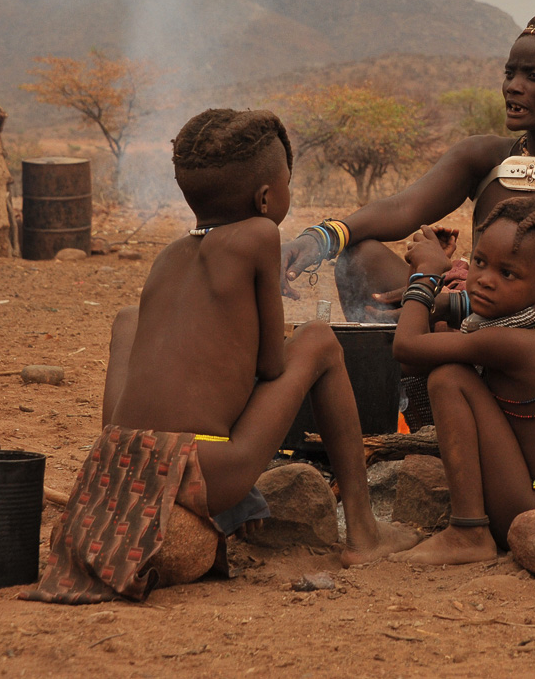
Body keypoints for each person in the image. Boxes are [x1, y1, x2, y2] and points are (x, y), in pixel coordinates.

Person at [280, 12, 535, 437]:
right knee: (359, 252)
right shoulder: (483, 156)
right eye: (510, 73)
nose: (513, 86)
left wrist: (445, 302)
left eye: (533, 76)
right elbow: (402, 207)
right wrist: (317, 238)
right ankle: (409, 402)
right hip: (474, 313)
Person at [104, 108, 417, 564]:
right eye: (288, 183)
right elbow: (270, 365)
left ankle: (127, 454)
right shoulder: (258, 235)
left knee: (129, 319)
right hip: (204, 470)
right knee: (318, 340)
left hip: (120, 462)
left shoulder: (169, 256)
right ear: (267, 197)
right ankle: (365, 532)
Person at [390, 198, 535, 565]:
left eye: (508, 274)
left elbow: (406, 348)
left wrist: (425, 273)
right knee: (445, 346)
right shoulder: (533, 325)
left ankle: (469, 532)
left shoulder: (509, 342)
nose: (484, 279)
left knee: (448, 377)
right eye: (480, 262)